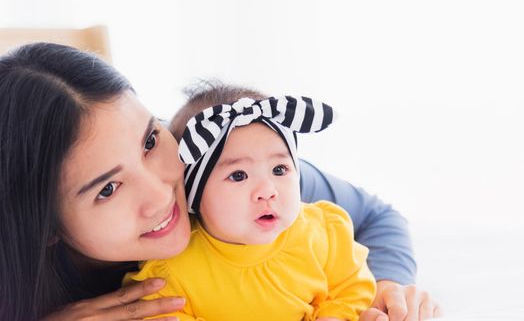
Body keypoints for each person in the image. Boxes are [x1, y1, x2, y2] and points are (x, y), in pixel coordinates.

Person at [0, 43, 439, 321]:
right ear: (45, 226)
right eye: (108, 189)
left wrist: (384, 287)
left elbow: (377, 216)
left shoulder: (231, 173)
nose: (162, 192)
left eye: (150, 140)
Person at [126, 93, 376, 320]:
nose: (268, 190)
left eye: (280, 169)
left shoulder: (322, 234)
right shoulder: (171, 271)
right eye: (238, 175)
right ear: (194, 195)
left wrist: (334, 316)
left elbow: (352, 286)